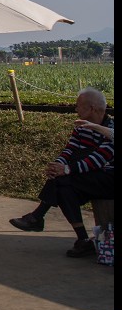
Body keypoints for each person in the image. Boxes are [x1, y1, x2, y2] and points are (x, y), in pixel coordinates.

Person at [9, 87, 114, 258]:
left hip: (107, 178)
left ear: (92, 108)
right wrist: (58, 164)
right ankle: (82, 240)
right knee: (63, 187)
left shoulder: (111, 130)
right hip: (86, 177)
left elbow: (98, 159)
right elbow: (69, 150)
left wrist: (66, 169)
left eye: (79, 106)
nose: (76, 110)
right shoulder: (81, 127)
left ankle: (37, 216)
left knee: (62, 180)